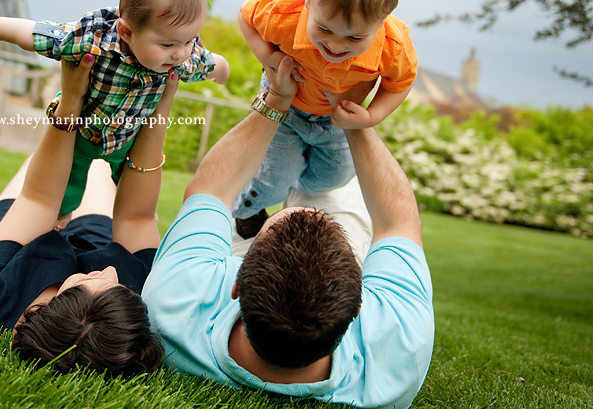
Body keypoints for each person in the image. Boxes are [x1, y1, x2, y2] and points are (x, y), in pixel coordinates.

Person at [141, 56, 434, 408]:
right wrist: (354, 119)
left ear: (234, 281)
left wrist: (276, 101)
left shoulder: (175, 302)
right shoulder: (398, 348)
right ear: (359, 306)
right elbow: (398, 223)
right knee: (338, 188)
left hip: (226, 275)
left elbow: (212, 189)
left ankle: (263, 209)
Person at [0, 54, 175, 376]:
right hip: (94, 243)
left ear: (45, 308)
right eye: (119, 288)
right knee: (92, 169)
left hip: (12, 255)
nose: (108, 272)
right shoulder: (143, 291)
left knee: (46, 166)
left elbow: (38, 199)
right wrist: (157, 111)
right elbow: (137, 217)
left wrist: (71, 100)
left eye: (95, 282)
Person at [0, 0, 229, 224]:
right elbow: (41, 34)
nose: (180, 53)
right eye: (167, 44)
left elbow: (209, 62)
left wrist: (222, 70)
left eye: (189, 40)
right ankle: (60, 214)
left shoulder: (182, 56)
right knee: (68, 176)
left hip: (128, 139)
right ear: (127, 32)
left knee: (136, 187)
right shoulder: (93, 39)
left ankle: (137, 218)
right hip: (82, 131)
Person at [233, 0, 417, 237]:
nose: (336, 45)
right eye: (325, 28)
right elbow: (246, 15)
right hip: (286, 109)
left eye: (355, 37)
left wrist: (372, 115)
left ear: (386, 14)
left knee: (335, 176)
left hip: (334, 121)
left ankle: (291, 184)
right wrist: (269, 57)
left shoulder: (392, 45)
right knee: (274, 180)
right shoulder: (284, 14)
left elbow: (400, 83)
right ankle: (247, 209)